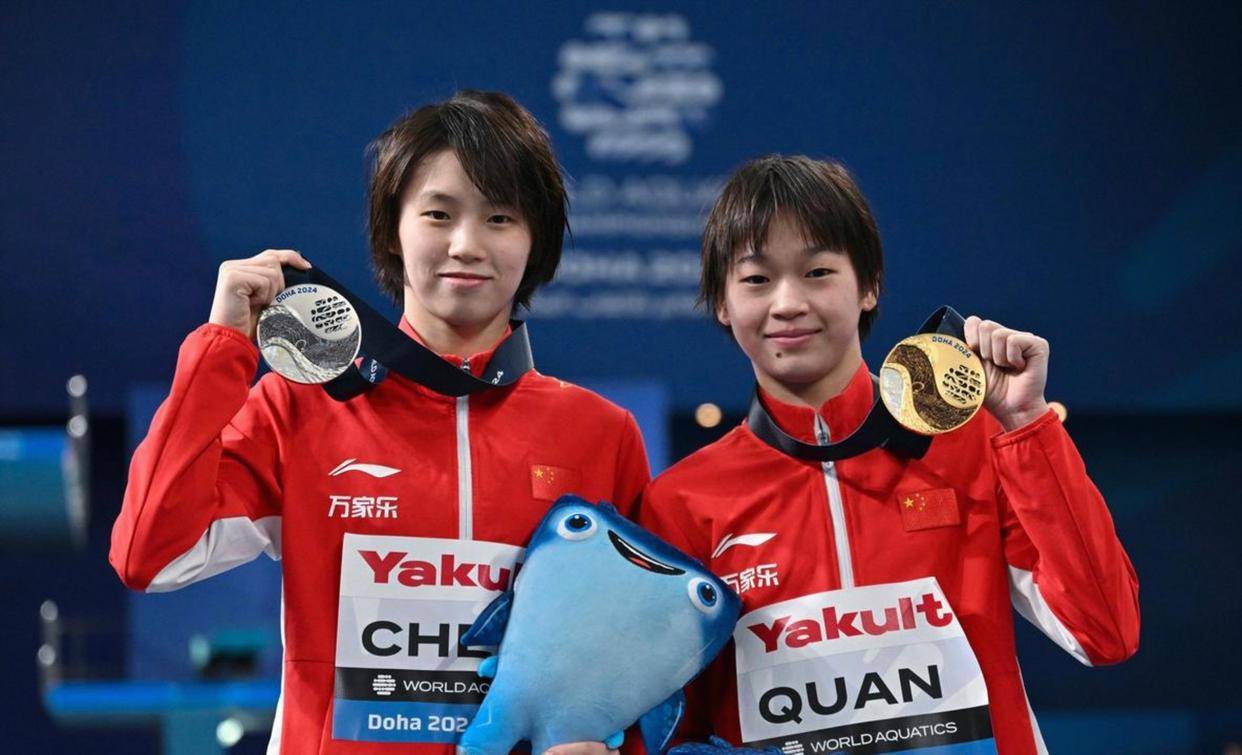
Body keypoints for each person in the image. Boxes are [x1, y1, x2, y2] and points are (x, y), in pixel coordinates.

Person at [111, 90, 650, 754]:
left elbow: (638, 655)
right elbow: (150, 556)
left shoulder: (599, 433)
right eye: (438, 214)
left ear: (534, 239)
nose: (466, 244)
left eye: (501, 218)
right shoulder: (299, 409)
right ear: (392, 229)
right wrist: (220, 348)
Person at [638, 155, 1139, 755]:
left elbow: (1104, 632)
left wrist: (1027, 426)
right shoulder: (682, 503)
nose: (788, 302)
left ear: (869, 285)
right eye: (756, 279)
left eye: (818, 272)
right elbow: (672, 729)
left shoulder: (972, 443)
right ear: (721, 302)